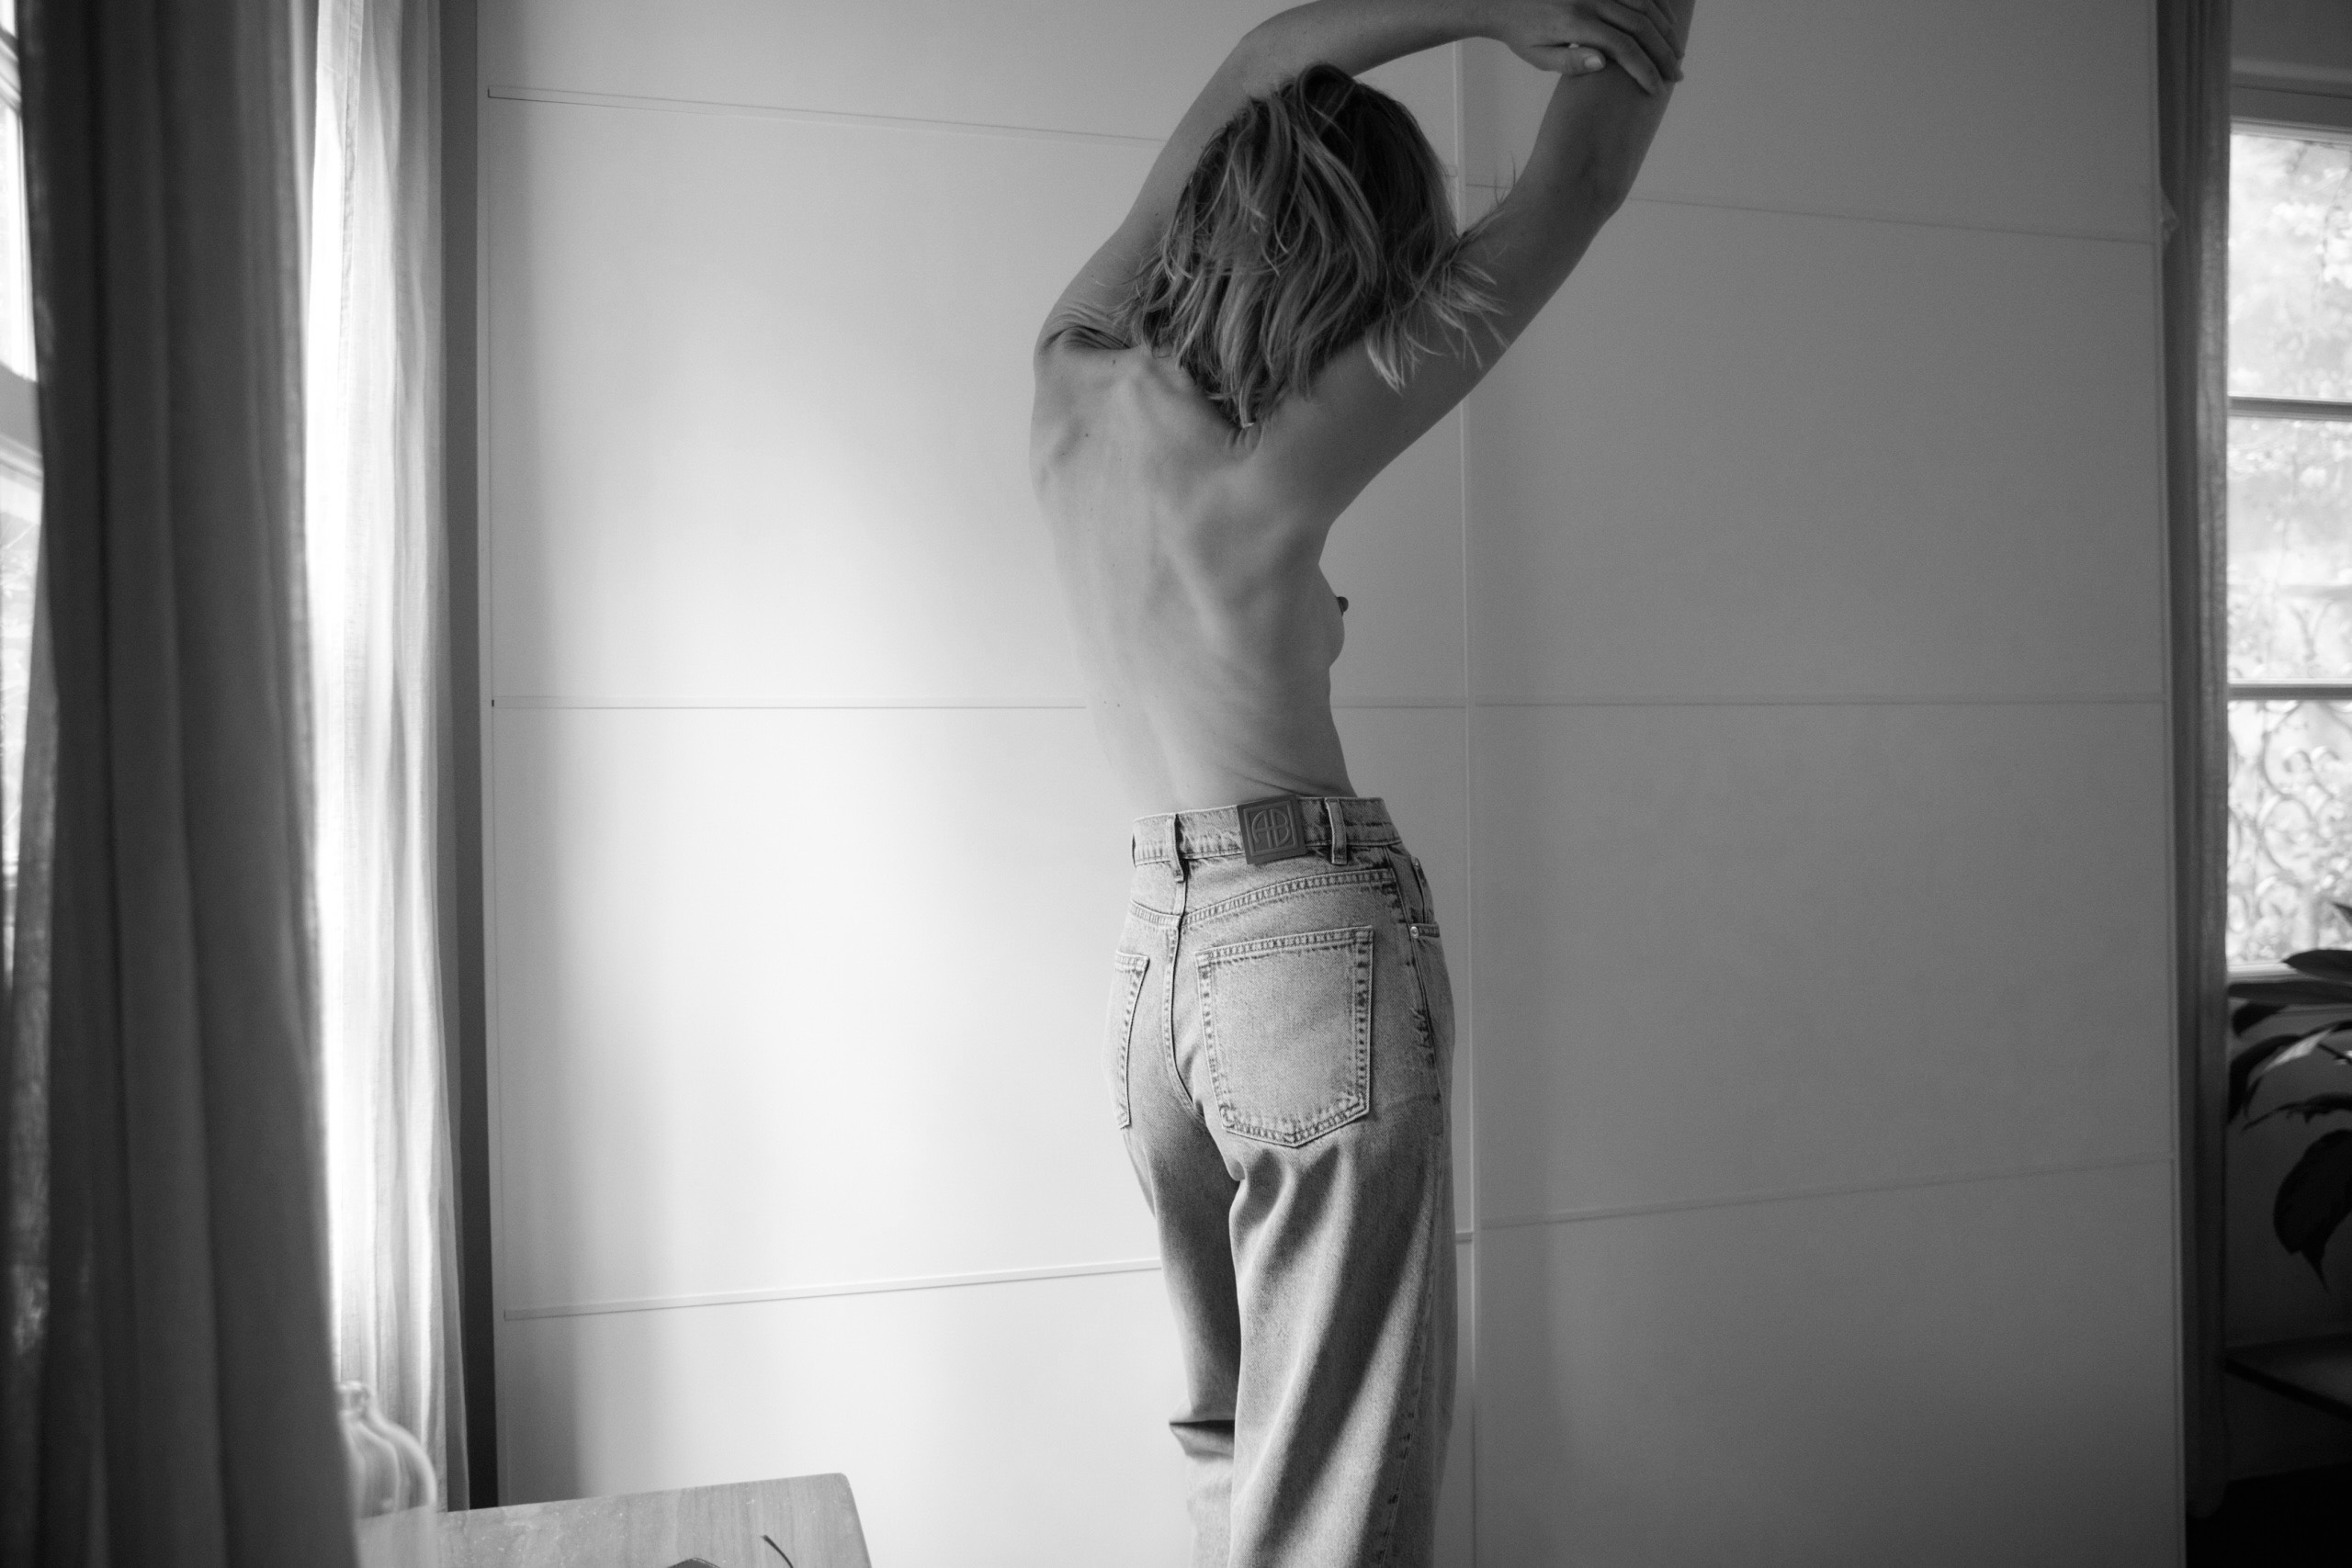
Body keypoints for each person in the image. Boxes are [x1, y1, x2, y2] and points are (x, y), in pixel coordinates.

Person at [1029, 3, 1689, 1562]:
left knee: (1236, 1443)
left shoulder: (1067, 375)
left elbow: (1261, 57)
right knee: (1334, 1498)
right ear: (1367, 261)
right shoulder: (1290, 453)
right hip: (1303, 954)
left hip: (1154, 968)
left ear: (1204, 208)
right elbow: (1579, 185)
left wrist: (1485, 5)